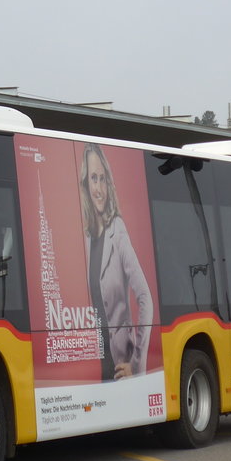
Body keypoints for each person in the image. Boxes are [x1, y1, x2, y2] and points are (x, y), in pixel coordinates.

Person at [80, 143, 153, 381]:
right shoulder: (87, 238)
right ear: (85, 184)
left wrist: (136, 362)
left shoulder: (117, 231)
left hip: (121, 368)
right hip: (98, 365)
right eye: (93, 178)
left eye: (102, 178)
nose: (99, 188)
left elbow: (145, 298)